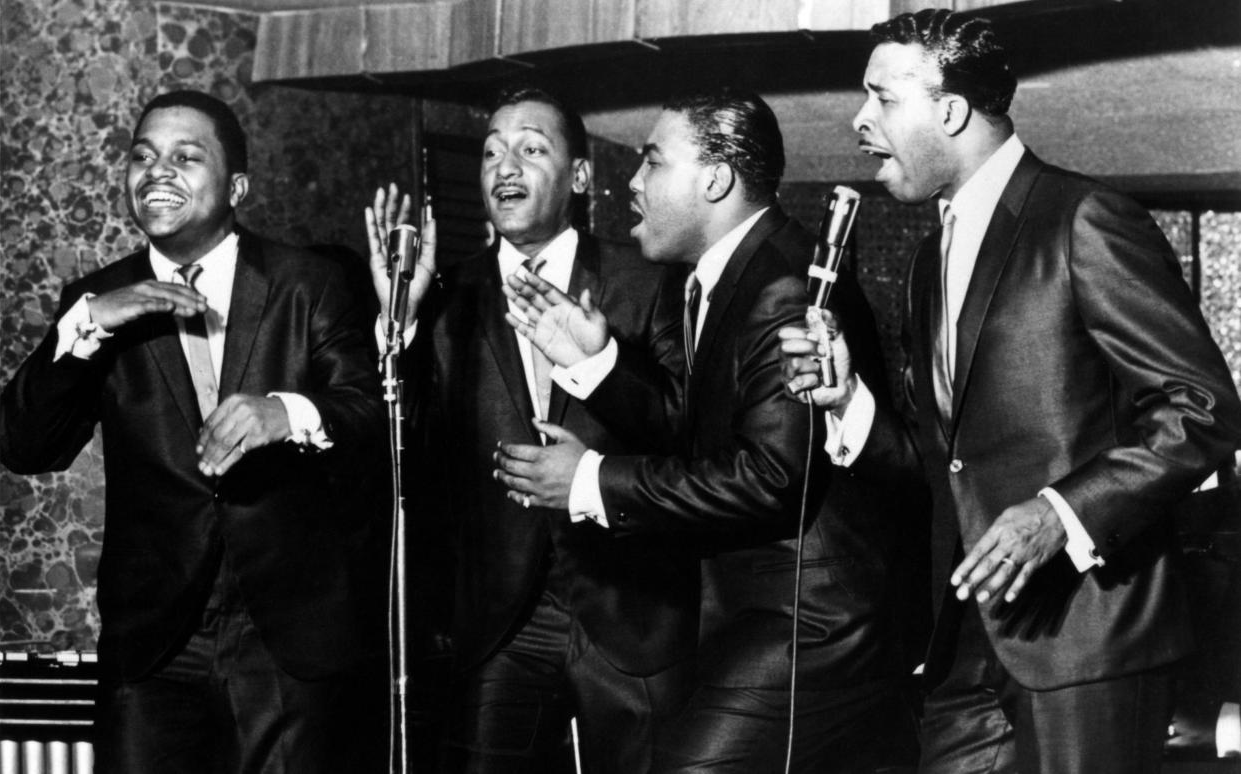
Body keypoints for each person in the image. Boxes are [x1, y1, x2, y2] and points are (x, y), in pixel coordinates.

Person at [779, 9, 1241, 773]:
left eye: (881, 98)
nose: (859, 121)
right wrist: (848, 402)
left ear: (952, 111)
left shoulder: (1082, 218)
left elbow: (1201, 406)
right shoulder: (930, 258)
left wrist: (1061, 515)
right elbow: (947, 463)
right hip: (963, 652)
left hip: (1089, 647)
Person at [494, 89, 908, 773]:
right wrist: (599, 365)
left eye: (653, 162)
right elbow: (702, 433)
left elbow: (769, 476)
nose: (632, 181)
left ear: (715, 180)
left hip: (809, 626)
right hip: (755, 620)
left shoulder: (783, 287)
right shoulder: (728, 276)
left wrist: (591, 480)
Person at [0, 90, 388, 772]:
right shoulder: (96, 303)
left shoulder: (309, 283)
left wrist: (286, 413)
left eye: (185, 156)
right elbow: (27, 443)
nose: (157, 172)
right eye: (143, 156)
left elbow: (367, 417)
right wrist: (88, 325)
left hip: (288, 640)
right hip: (153, 644)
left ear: (236, 184)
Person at [364, 85, 697, 773]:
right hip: (498, 626)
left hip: (631, 612)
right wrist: (399, 318)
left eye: (531, 149)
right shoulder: (446, 297)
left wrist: (597, 409)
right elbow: (407, 451)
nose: (504, 166)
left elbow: (684, 431)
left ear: (578, 176)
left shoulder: (650, 282)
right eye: (491, 152)